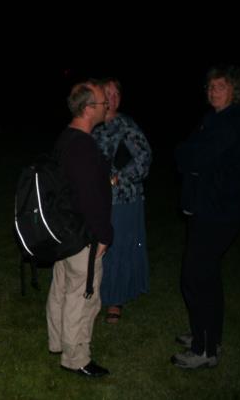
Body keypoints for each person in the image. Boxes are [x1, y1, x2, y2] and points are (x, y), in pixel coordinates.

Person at [172, 65, 240, 369]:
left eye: (220, 86)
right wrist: (189, 155)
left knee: (195, 278)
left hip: (217, 213)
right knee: (207, 277)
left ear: (235, 90)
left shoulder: (233, 122)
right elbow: (186, 154)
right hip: (206, 209)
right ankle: (207, 337)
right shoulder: (213, 119)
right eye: (210, 87)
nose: (213, 91)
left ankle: (204, 350)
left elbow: (195, 156)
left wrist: (189, 155)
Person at [46, 80, 114, 377]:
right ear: (88, 109)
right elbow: (90, 197)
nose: (106, 107)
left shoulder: (66, 137)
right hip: (82, 234)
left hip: (65, 230)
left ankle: (59, 342)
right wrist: (104, 234)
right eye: (102, 103)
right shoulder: (83, 146)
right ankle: (76, 358)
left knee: (62, 288)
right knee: (82, 296)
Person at [90, 78, 152, 323]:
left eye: (117, 94)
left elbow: (144, 157)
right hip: (95, 198)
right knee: (94, 248)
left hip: (123, 199)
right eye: (108, 93)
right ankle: (93, 294)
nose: (113, 98)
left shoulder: (126, 125)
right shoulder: (92, 124)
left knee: (117, 247)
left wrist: (119, 178)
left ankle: (115, 300)